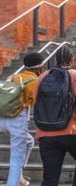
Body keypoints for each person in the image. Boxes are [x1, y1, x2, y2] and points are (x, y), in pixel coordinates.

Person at [34, 45, 76, 186]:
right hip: (70, 130)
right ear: (72, 59)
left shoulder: (42, 76)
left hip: (45, 133)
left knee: (50, 179)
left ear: (55, 60)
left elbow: (36, 103)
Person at [0, 52, 44, 186]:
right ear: (39, 68)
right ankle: (14, 179)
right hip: (17, 121)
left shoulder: (15, 76)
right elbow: (39, 103)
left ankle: (18, 177)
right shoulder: (35, 82)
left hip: (3, 119)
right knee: (16, 161)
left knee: (29, 142)